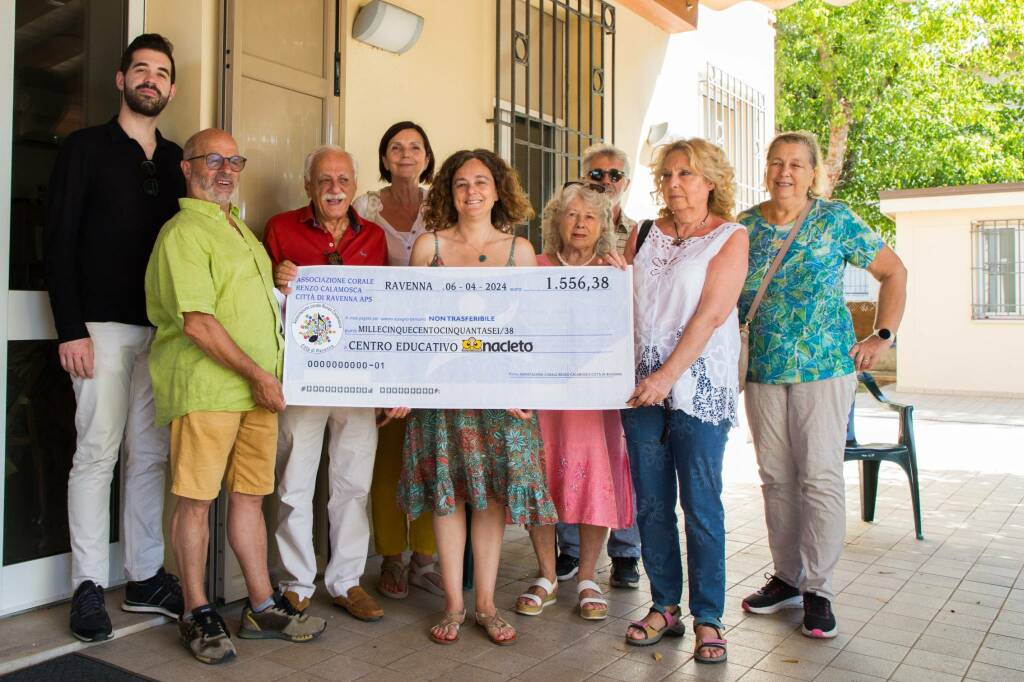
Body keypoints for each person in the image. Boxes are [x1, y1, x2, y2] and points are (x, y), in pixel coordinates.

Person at [146, 128, 326, 665]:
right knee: (196, 501)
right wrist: (259, 375)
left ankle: (262, 605)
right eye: (212, 160)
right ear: (187, 167)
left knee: (250, 497)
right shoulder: (183, 232)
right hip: (209, 388)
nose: (225, 170)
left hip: (255, 392)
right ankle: (197, 611)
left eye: (234, 161)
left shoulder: (240, 232)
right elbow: (199, 324)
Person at [44, 33, 185, 642]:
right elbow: (57, 242)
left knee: (149, 457)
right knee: (96, 455)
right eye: (141, 70)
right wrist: (70, 329)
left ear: (171, 88)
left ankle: (145, 575)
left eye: (161, 73)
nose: (150, 80)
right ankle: (86, 587)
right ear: (120, 79)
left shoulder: (178, 157)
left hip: (160, 334)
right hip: (99, 330)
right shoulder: (84, 148)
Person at [738, 131, 906, 639]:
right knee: (775, 477)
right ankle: (787, 576)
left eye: (795, 164)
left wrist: (882, 336)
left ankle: (819, 588)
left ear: (813, 174)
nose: (784, 172)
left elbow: (893, 271)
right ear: (766, 169)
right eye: (775, 163)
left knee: (819, 477)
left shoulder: (835, 220)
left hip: (824, 368)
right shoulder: (745, 225)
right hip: (762, 370)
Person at [397, 149, 557, 646]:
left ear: (497, 188)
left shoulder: (521, 251)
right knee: (449, 496)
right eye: (461, 183)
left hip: (501, 395)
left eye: (481, 182)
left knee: (488, 498)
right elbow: (408, 325)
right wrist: (401, 385)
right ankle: (453, 603)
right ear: (448, 190)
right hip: (443, 394)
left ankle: (485, 604)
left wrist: (526, 385)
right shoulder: (428, 247)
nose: (471, 192)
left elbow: (532, 328)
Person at [621, 139, 748, 663]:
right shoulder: (644, 233)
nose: (675, 184)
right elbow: (620, 300)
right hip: (637, 388)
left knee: (700, 504)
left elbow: (711, 315)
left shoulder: (730, 236)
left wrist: (666, 378)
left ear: (711, 180)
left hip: (697, 386)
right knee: (651, 503)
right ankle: (665, 606)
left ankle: (710, 617)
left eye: (688, 174)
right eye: (668, 174)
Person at [265, 145, 390, 622]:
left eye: (342, 179)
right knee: (293, 483)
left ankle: (346, 581)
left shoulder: (375, 238)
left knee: (352, 484)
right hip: (302, 377)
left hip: (358, 379)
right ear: (308, 187)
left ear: (355, 186)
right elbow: (262, 300)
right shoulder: (281, 228)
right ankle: (295, 582)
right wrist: (277, 281)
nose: (334, 188)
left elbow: (384, 307)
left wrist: (388, 385)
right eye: (324, 180)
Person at [513, 181, 633, 623]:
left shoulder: (614, 273)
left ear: (603, 226)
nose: (579, 223)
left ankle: (587, 576)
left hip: (593, 402)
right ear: (555, 222)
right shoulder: (535, 267)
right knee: (539, 480)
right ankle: (546, 574)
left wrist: (621, 283)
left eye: (590, 216)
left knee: (593, 478)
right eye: (571, 214)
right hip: (543, 400)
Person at [351, 122, 443, 599]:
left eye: (415, 147)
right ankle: (390, 557)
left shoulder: (443, 206)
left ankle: (425, 556)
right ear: (384, 157)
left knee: (429, 447)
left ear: (427, 156)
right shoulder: (364, 207)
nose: (405, 154)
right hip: (380, 343)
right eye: (395, 147)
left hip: (433, 345)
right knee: (386, 452)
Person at [556, 143, 643, 590]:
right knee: (571, 453)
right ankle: (569, 550)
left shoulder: (642, 235)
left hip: (618, 371)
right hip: (568, 369)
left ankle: (625, 553)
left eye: (614, 175)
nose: (605, 182)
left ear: (625, 181)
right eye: (596, 175)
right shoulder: (562, 231)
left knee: (620, 457)